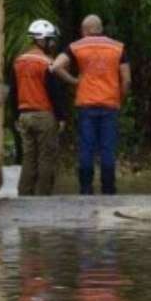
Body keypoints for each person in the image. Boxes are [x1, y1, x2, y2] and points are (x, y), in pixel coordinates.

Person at [51, 14, 130, 195]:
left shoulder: (77, 46)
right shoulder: (118, 48)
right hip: (110, 105)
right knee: (107, 148)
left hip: (86, 105)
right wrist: (120, 97)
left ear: (85, 30)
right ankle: (108, 189)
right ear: (100, 28)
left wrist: (73, 81)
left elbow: (55, 67)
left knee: (86, 147)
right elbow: (126, 80)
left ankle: (86, 189)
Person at [9, 19, 66, 196]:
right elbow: (54, 93)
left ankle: (24, 195)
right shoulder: (47, 63)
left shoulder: (18, 61)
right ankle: (42, 199)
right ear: (42, 40)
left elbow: (13, 92)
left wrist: (15, 116)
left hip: (24, 116)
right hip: (44, 116)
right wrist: (61, 116)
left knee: (28, 158)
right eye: (50, 40)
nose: (53, 43)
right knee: (46, 157)